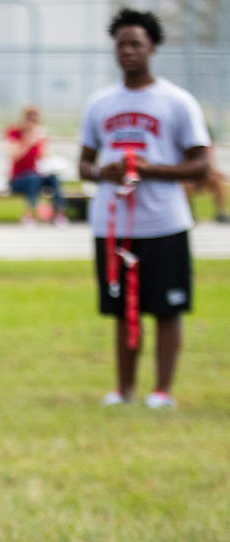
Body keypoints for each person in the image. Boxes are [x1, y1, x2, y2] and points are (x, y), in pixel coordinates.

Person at [78, 8, 209, 409]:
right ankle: (123, 388)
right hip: (114, 226)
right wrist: (106, 173)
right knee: (121, 311)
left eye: (136, 43)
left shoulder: (177, 101)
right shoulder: (100, 102)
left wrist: (153, 170)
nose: (128, 51)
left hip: (164, 222)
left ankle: (161, 390)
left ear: (152, 46)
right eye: (121, 44)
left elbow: (202, 164)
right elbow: (83, 164)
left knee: (166, 310)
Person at [6, 106, 67, 226]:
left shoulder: (40, 135)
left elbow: (44, 157)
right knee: (34, 179)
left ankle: (59, 214)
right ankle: (29, 215)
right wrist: (28, 140)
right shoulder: (14, 132)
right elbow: (14, 155)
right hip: (18, 179)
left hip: (37, 176)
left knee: (54, 179)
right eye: (30, 119)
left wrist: (43, 144)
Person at [184, 134, 228, 223]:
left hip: (204, 176)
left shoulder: (209, 149)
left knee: (218, 182)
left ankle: (221, 213)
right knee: (186, 185)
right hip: (190, 177)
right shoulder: (188, 147)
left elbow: (210, 166)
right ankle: (189, 213)